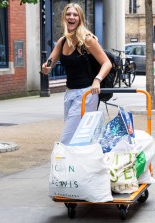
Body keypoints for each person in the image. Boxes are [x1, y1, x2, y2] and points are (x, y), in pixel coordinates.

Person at [41, 3, 112, 145]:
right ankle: (86, 164)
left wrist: (97, 80)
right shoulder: (62, 41)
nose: (71, 17)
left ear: (80, 18)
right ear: (64, 18)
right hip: (70, 94)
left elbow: (107, 63)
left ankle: (65, 165)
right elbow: (50, 62)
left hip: (87, 94)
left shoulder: (87, 39)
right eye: (68, 14)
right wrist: (46, 67)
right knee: (80, 136)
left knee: (67, 139)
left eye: (75, 14)